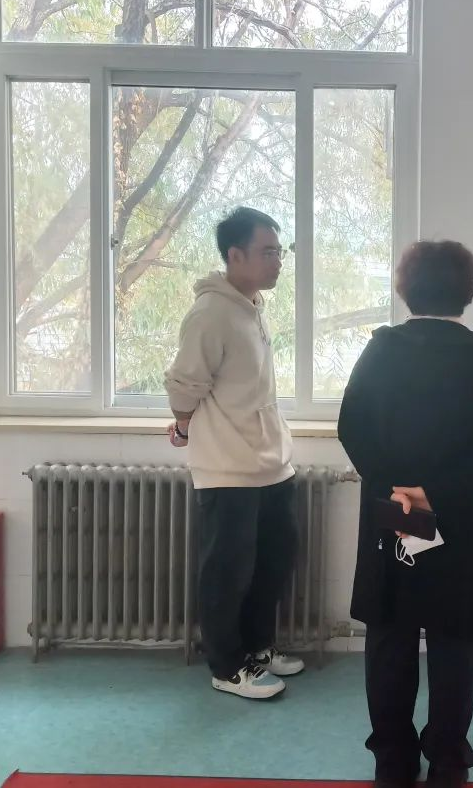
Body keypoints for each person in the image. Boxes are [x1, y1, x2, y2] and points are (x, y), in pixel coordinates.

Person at [339, 241, 473, 788]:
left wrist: (401, 489)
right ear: (468, 292)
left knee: (390, 630)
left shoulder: (381, 351)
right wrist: (440, 490)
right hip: (460, 514)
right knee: (453, 634)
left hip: (394, 508)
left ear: (406, 290)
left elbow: (352, 427)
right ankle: (447, 759)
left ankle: (392, 758)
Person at [164, 206, 303, 700]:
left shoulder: (251, 306)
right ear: (235, 255)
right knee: (227, 574)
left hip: (269, 465)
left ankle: (257, 649)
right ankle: (227, 667)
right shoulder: (211, 313)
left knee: (273, 563)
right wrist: (184, 423)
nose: (277, 261)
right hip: (228, 470)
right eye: (268, 252)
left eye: (279, 252)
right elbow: (184, 383)